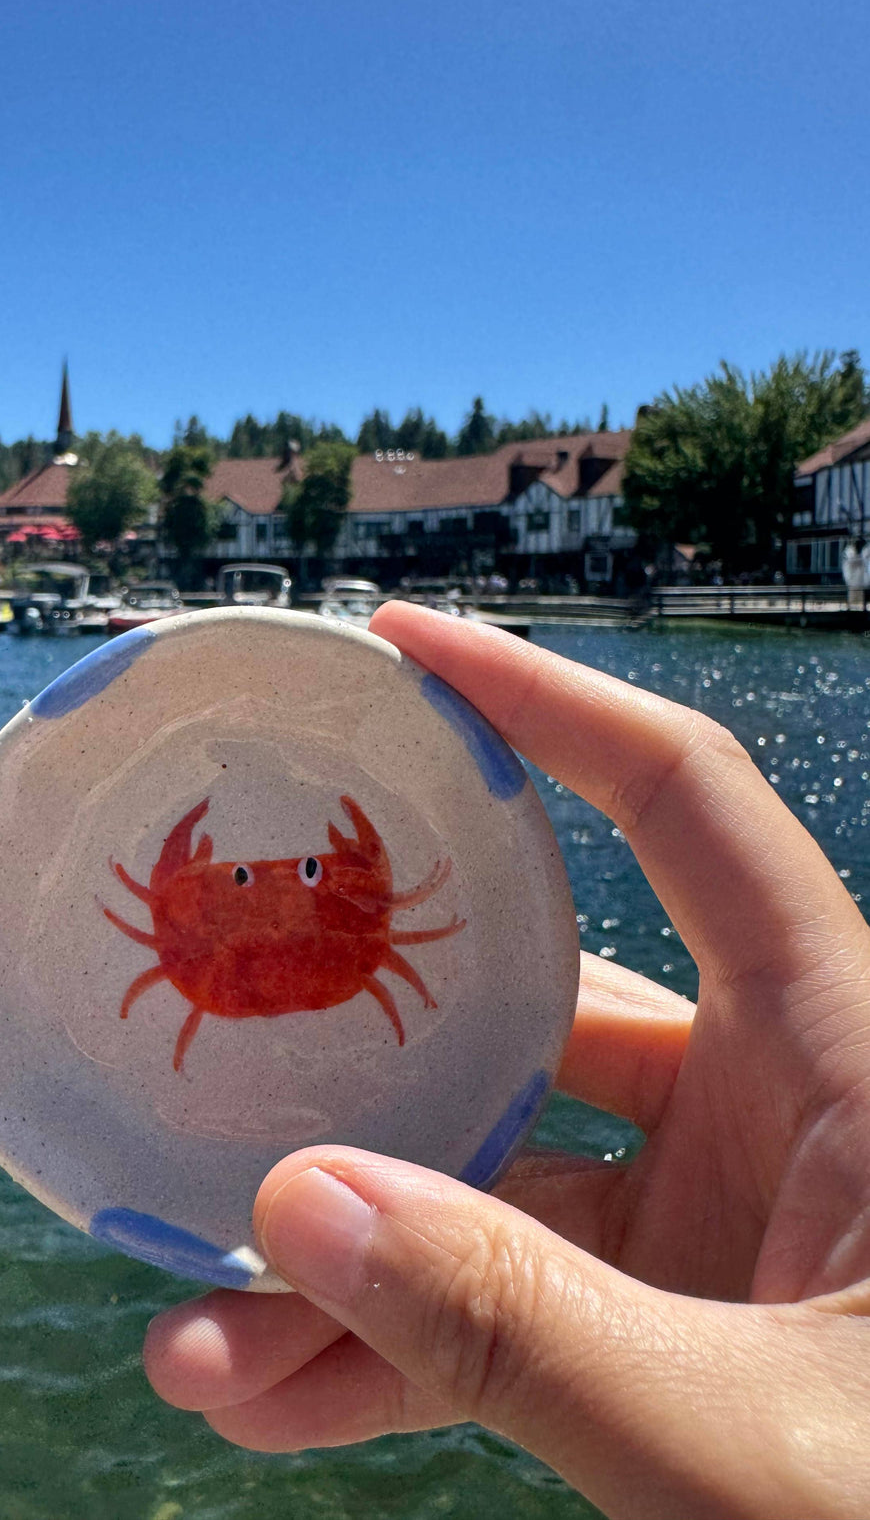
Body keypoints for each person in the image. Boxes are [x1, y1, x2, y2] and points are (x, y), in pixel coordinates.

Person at [143, 601, 870, 1519]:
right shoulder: (369, 933)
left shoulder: (203, 939)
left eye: (308, 877)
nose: (283, 890)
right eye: (245, 881)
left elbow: (162, 941)